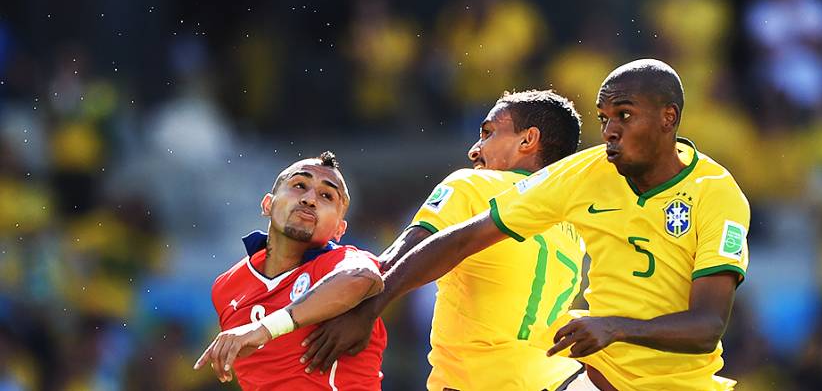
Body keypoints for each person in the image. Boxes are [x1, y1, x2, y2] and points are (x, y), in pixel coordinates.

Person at [306, 60, 751, 391]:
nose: (610, 130)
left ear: (668, 118)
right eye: (604, 119)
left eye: (625, 115)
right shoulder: (578, 182)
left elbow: (708, 325)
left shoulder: (716, 193)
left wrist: (361, 309)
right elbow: (463, 239)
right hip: (574, 377)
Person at [308, 90, 587, 390]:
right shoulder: (572, 222)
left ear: (527, 140)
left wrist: (345, 308)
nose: (475, 150)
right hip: (555, 380)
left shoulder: (475, 185)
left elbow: (397, 256)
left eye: (488, 133)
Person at [194, 152, 387, 390]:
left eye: (326, 195)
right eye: (299, 185)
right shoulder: (227, 287)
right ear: (267, 204)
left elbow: (364, 278)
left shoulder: (340, 264)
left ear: (339, 229)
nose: (309, 199)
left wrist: (265, 329)